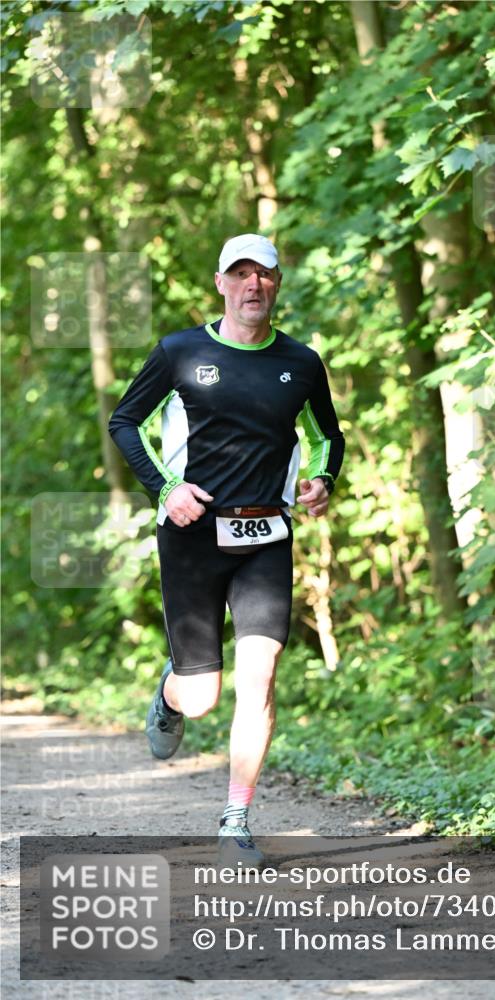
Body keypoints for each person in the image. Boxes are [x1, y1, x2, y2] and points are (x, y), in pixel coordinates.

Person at [108, 234, 344, 865]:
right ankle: (170, 692)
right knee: (203, 695)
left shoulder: (301, 362)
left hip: (267, 536)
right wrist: (164, 488)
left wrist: (323, 479)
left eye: (262, 275)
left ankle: (236, 816)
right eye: (239, 274)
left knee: (260, 679)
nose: (252, 286)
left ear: (276, 283)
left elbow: (327, 437)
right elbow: (124, 422)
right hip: (191, 534)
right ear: (220, 283)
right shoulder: (181, 352)